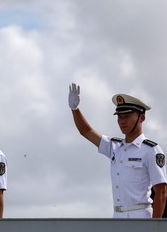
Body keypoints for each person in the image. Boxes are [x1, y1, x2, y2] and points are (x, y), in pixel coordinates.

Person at [68, 84, 167, 218]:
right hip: (117, 217)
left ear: (141, 118)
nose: (122, 121)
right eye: (119, 116)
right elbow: (86, 131)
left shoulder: (151, 150)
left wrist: (154, 229)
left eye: (127, 116)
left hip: (141, 217)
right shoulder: (115, 147)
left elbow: (161, 192)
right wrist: (75, 109)